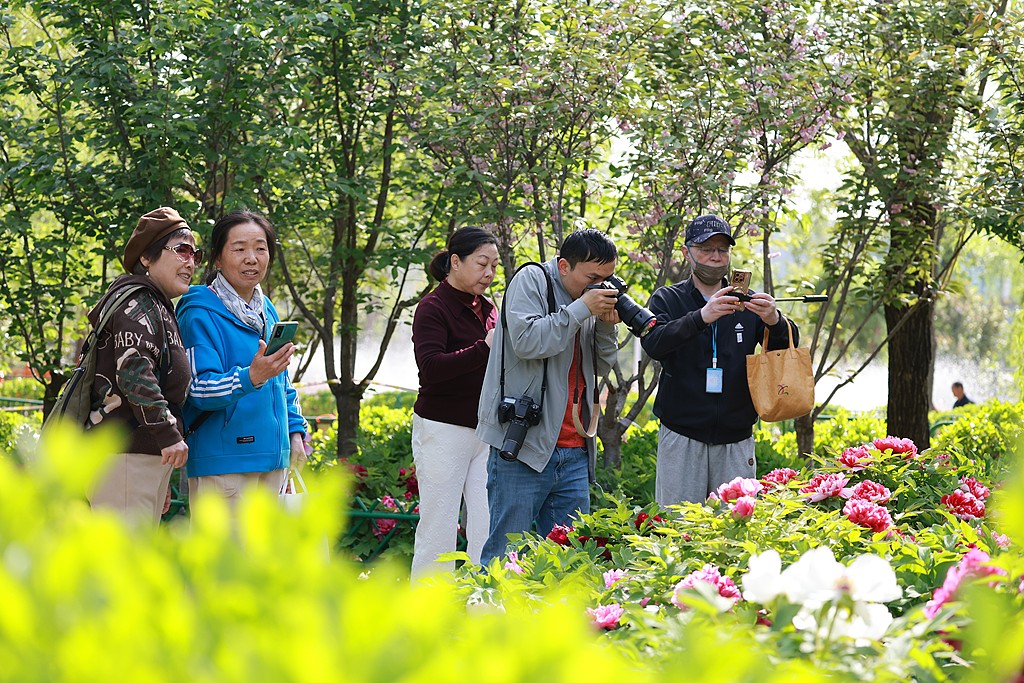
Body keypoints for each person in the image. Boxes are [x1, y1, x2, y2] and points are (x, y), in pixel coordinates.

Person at [476, 229, 621, 566]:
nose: (599, 286)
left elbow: (600, 365)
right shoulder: (532, 279)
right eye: (593, 277)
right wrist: (580, 310)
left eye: (607, 278)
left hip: (574, 451)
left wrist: (606, 325)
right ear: (564, 266)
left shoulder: (586, 300)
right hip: (525, 445)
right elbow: (527, 342)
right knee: (505, 557)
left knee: (568, 560)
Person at [641, 214, 797, 505]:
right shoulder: (668, 299)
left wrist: (775, 320)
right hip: (681, 432)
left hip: (736, 436)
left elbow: (786, 347)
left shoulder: (748, 301)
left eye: (722, 250)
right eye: (706, 249)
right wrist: (701, 317)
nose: (715, 257)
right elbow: (654, 343)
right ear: (687, 252)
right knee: (678, 526)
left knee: (734, 529)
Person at [176, 210, 307, 509]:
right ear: (218, 259)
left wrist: (295, 431)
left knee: (266, 558)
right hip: (224, 465)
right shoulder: (198, 311)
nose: (252, 258)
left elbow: (281, 380)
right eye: (239, 249)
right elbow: (198, 389)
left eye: (261, 248)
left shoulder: (266, 309)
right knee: (224, 557)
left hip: (274, 461)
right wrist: (252, 376)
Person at [88, 207, 197, 524]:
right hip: (125, 456)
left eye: (195, 253)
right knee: (120, 565)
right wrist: (167, 435)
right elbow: (134, 373)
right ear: (147, 258)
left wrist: (159, 464)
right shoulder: (138, 302)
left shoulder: (157, 304)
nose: (190, 261)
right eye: (181, 250)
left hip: (140, 458)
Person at [410, 227, 500, 579]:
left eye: (494, 266)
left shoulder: (489, 307)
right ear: (455, 261)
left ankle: (483, 609)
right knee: (439, 526)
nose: (489, 273)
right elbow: (431, 369)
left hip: (487, 430)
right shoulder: (433, 307)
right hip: (443, 429)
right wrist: (485, 348)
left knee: (487, 523)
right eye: (481, 264)